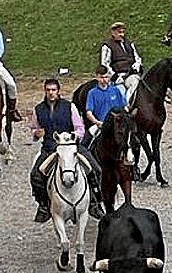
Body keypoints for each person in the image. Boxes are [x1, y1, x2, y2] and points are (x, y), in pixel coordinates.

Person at [30, 78, 105, 223]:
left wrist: (73, 137)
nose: (51, 93)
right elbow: (34, 128)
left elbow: (80, 128)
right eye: (48, 90)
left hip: (71, 146)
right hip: (50, 148)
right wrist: (36, 134)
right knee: (35, 175)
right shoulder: (38, 109)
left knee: (95, 169)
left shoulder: (69, 107)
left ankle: (95, 202)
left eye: (53, 90)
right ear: (45, 91)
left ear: (58, 91)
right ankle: (44, 205)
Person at [100, 22, 142, 102]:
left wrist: (136, 66)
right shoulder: (107, 46)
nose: (122, 35)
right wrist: (115, 77)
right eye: (119, 32)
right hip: (117, 77)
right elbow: (105, 64)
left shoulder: (130, 44)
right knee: (125, 90)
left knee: (138, 83)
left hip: (131, 74)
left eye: (123, 32)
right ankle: (126, 106)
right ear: (113, 33)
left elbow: (137, 58)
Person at [84, 64, 127, 138]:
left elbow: (124, 107)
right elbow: (89, 112)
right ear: (97, 77)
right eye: (101, 77)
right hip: (101, 124)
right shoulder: (92, 93)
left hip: (117, 126)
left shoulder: (116, 90)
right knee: (86, 141)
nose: (104, 80)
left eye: (106, 77)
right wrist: (97, 122)